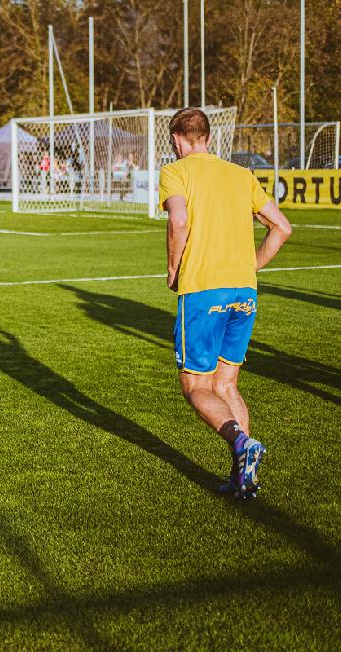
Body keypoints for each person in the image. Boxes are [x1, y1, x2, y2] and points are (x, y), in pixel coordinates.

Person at [159, 107, 292, 499]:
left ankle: (242, 443)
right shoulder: (241, 174)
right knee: (227, 383)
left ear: (176, 139)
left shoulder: (176, 171)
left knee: (196, 386)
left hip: (204, 289)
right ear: (208, 137)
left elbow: (179, 220)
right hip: (244, 291)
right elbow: (282, 227)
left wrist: (173, 268)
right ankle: (242, 478)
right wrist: (251, 265)